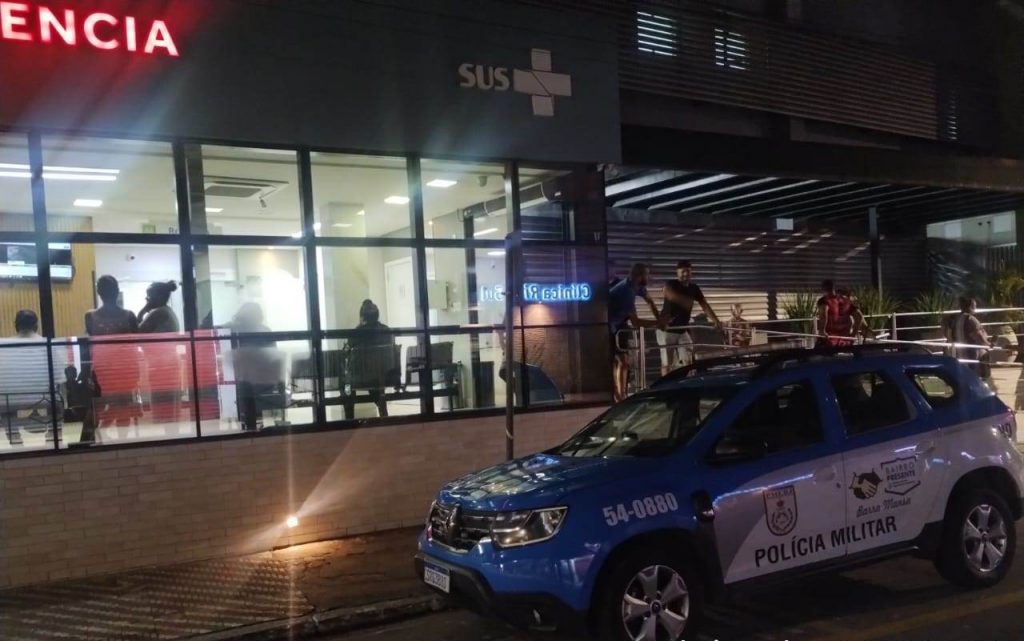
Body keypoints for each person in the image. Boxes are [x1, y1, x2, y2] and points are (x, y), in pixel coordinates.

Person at [608, 263, 664, 402]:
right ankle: (617, 395)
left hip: (619, 324)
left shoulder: (637, 286)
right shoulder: (627, 291)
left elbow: (650, 302)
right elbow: (636, 322)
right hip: (608, 326)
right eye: (647, 275)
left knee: (623, 361)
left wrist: (660, 319)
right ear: (639, 276)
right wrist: (657, 323)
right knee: (613, 362)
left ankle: (622, 395)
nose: (649, 277)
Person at [658, 260, 721, 375]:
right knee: (667, 362)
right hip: (667, 330)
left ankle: (683, 381)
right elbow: (667, 292)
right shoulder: (671, 284)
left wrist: (715, 320)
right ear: (677, 273)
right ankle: (665, 383)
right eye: (682, 272)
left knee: (687, 360)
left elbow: (704, 305)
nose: (685, 274)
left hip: (682, 330)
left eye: (688, 271)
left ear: (691, 272)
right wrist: (685, 301)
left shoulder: (694, 288)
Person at [347, 300, 397, 417]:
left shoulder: (357, 333)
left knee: (346, 385)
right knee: (376, 379)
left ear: (362, 316)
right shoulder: (386, 330)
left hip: (362, 378)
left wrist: (360, 324)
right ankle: (382, 409)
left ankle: (349, 419)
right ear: (377, 315)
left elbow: (350, 346)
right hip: (386, 376)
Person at [945, 296, 992, 382]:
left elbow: (948, 333)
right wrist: (988, 344)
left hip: (957, 351)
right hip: (970, 351)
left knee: (963, 373)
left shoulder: (954, 319)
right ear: (970, 306)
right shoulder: (971, 319)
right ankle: (980, 382)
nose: (975, 308)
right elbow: (978, 335)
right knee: (977, 368)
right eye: (975, 306)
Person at [816, 280, 854, 347]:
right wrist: (853, 334)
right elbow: (859, 317)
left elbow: (823, 315)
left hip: (830, 339)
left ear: (823, 289)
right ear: (834, 288)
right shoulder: (846, 300)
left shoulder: (824, 301)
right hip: (844, 341)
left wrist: (822, 330)